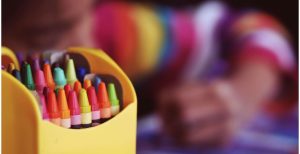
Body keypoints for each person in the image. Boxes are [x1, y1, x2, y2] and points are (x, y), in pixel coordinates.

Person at [2, 0, 297, 148]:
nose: (88, 45)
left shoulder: (110, 32)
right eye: (45, 35)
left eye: (93, 8)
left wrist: (240, 96)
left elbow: (247, 28)